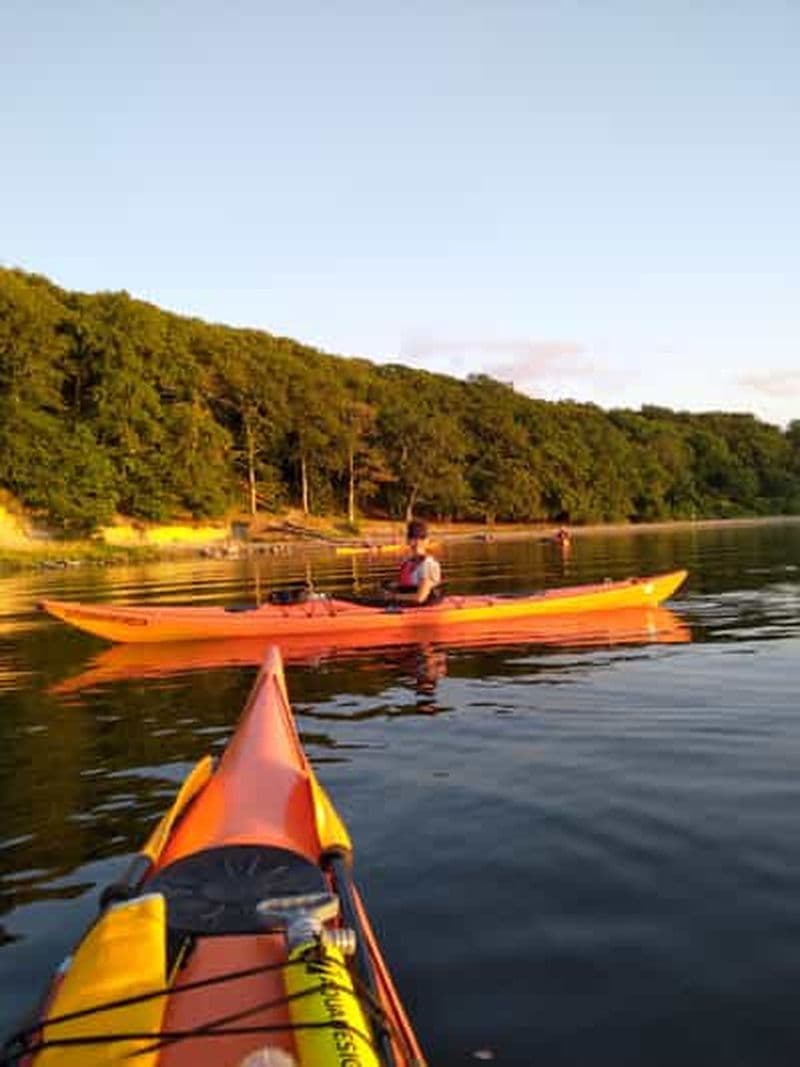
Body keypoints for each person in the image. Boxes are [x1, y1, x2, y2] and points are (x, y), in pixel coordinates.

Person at [386, 519, 442, 604]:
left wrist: (393, 597)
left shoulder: (428, 564)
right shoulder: (407, 562)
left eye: (421, 538)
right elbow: (408, 585)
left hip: (425, 609)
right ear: (408, 540)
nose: (417, 542)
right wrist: (393, 586)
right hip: (406, 606)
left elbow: (420, 598)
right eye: (413, 538)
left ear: (427, 540)